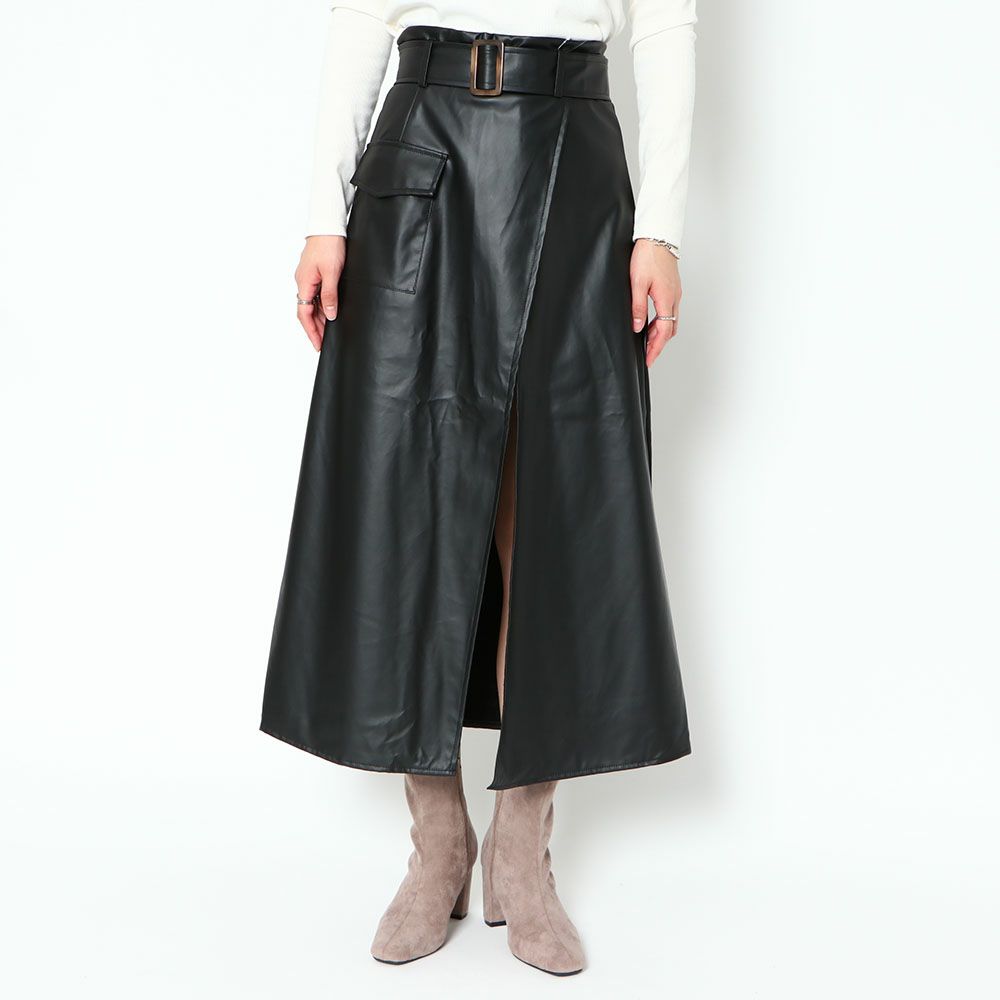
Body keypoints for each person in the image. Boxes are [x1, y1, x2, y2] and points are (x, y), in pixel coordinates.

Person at [260, 0, 696, 976]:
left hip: (570, 156)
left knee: (550, 506)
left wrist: (661, 230)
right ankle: (438, 843)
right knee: (405, 501)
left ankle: (522, 850)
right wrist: (323, 215)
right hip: (421, 157)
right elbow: (362, 16)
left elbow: (666, 25)